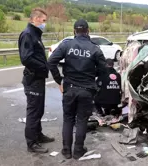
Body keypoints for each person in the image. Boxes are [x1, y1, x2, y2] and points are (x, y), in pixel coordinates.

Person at [47, 19, 106, 159]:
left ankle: (66, 150)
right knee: (81, 120)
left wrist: (59, 80)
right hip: (87, 90)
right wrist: (93, 77)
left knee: (68, 119)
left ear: (74, 31)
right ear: (88, 31)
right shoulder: (95, 48)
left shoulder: (67, 45)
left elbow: (51, 61)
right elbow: (104, 71)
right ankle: (78, 150)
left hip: (70, 88)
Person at [18, 7, 55, 154]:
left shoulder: (35, 34)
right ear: (35, 19)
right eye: (43, 21)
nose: (44, 24)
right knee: (33, 111)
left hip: (38, 78)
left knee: (39, 110)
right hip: (33, 79)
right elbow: (26, 58)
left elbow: (35, 55)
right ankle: (32, 143)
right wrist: (44, 66)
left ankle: (38, 135)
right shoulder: (28, 34)